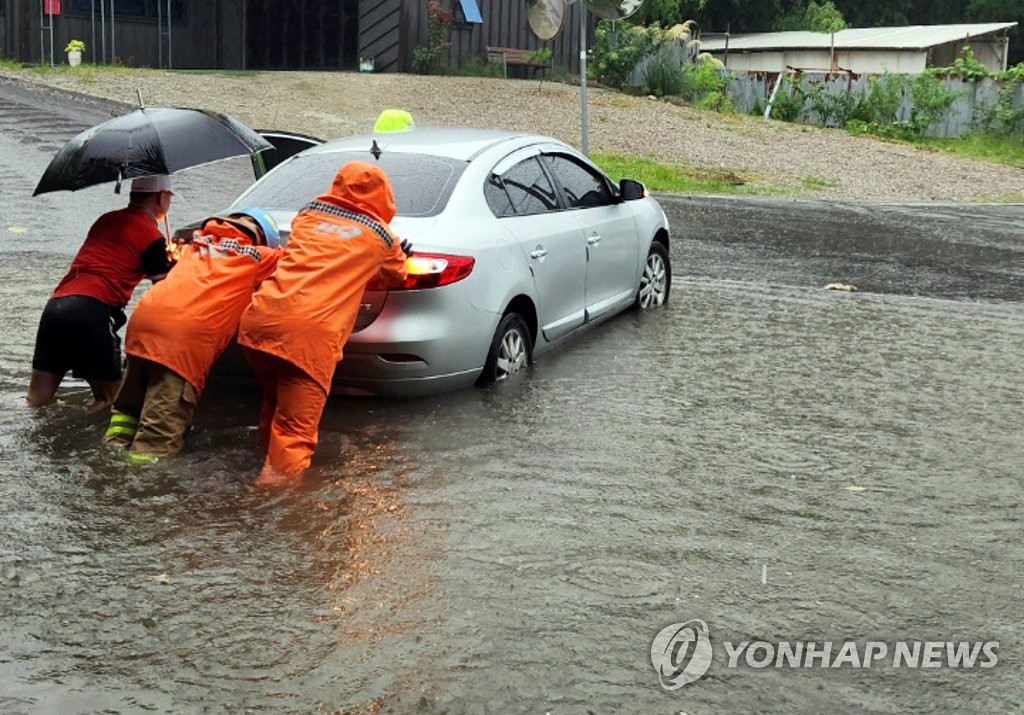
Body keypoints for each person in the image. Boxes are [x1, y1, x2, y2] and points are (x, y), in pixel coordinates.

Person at [237, 161, 412, 486]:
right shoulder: (380, 237)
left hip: (258, 324)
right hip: (308, 339)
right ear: (383, 197)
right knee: (294, 434)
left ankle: (260, 470)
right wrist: (400, 252)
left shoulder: (307, 216)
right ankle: (270, 518)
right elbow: (397, 274)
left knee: (274, 404)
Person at [103, 208, 282, 464]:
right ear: (261, 238)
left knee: (126, 413)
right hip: (180, 342)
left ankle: (109, 457)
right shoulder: (258, 256)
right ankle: (133, 494)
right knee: (156, 441)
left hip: (143, 326)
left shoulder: (196, 242)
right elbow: (306, 262)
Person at [27, 175, 176, 414]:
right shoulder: (152, 235)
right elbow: (164, 291)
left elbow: (114, 259)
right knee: (112, 403)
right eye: (170, 197)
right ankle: (88, 447)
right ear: (161, 197)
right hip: (90, 312)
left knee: (36, 400)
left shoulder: (105, 219)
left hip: (55, 308)